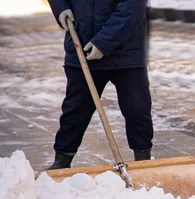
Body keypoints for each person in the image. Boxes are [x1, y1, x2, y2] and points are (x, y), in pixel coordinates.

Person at [46, 0, 153, 169]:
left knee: (137, 109)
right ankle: (62, 160)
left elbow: (132, 7)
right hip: (82, 46)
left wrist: (104, 42)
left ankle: (143, 159)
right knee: (75, 110)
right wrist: (60, 8)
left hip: (127, 52)